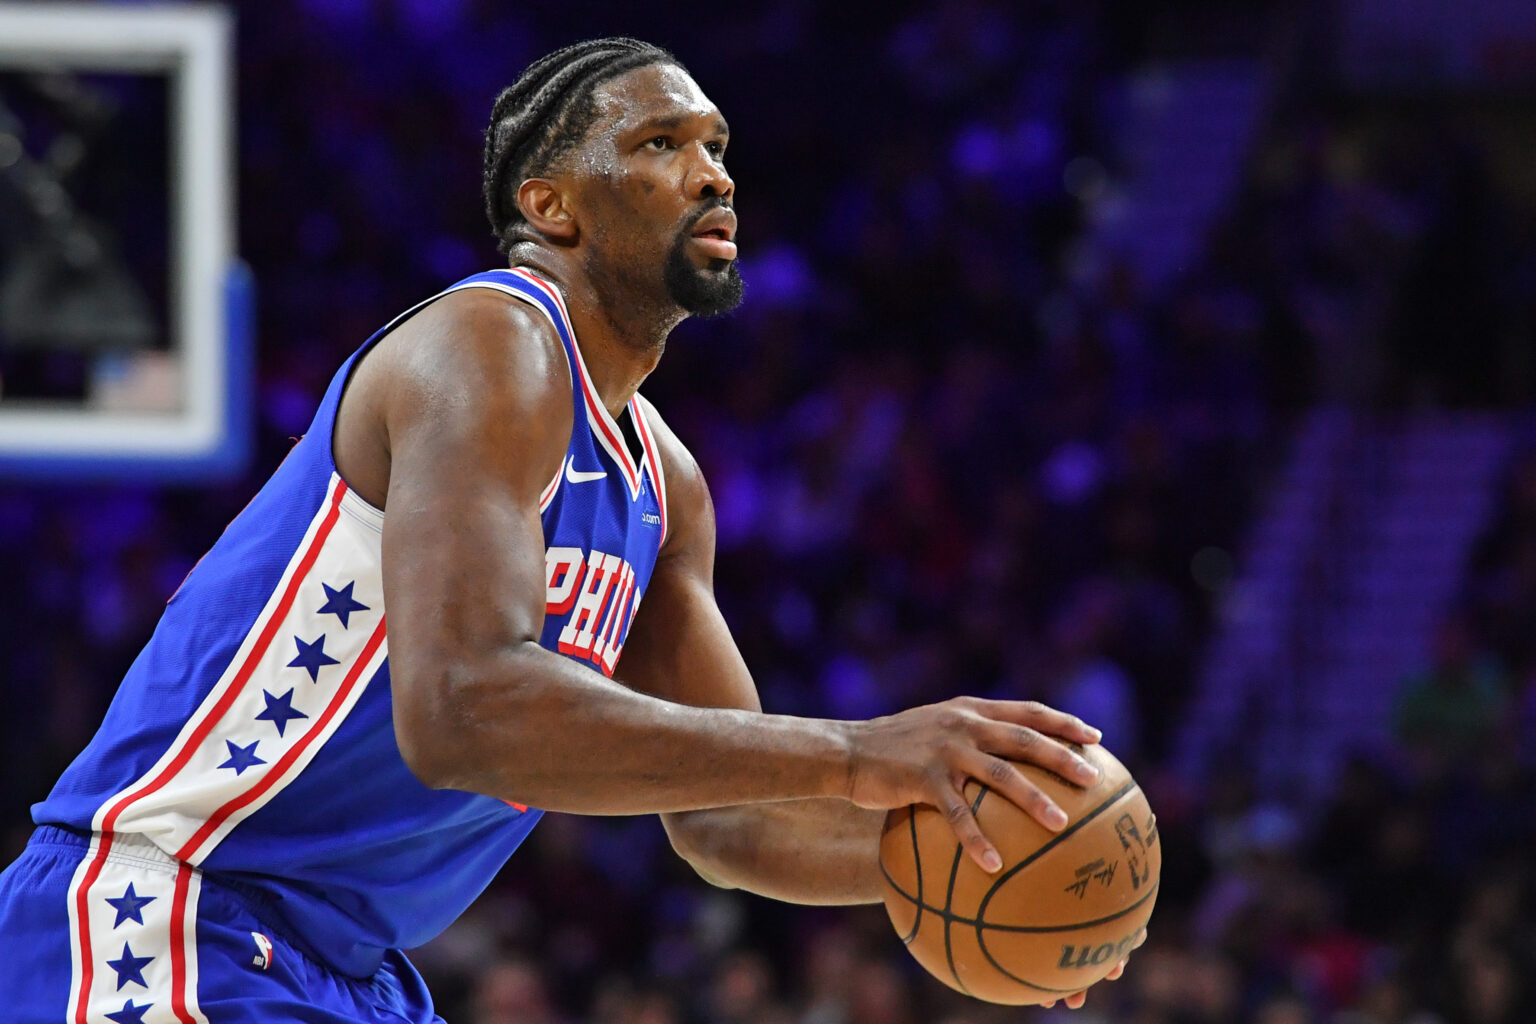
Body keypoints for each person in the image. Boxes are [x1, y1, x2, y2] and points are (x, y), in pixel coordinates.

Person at [0, 38, 1134, 1022]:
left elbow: (728, 819)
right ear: (552, 207)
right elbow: (463, 710)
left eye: (717, 146)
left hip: (340, 966)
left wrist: (990, 868)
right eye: (661, 144)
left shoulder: (665, 483)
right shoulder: (490, 344)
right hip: (168, 908)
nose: (712, 172)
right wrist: (855, 754)